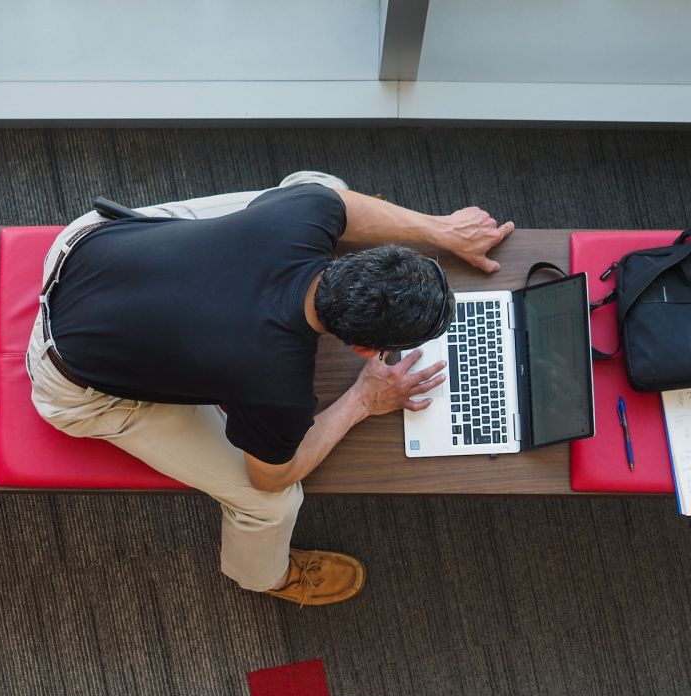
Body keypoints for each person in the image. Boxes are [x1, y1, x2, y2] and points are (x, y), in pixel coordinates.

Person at [27, 172, 514, 606]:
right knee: (272, 505)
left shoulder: (305, 213)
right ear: (366, 350)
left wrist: (439, 230)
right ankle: (263, 577)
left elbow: (339, 205)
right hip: (65, 380)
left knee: (319, 182)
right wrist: (361, 400)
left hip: (86, 246)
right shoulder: (276, 390)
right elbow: (271, 477)